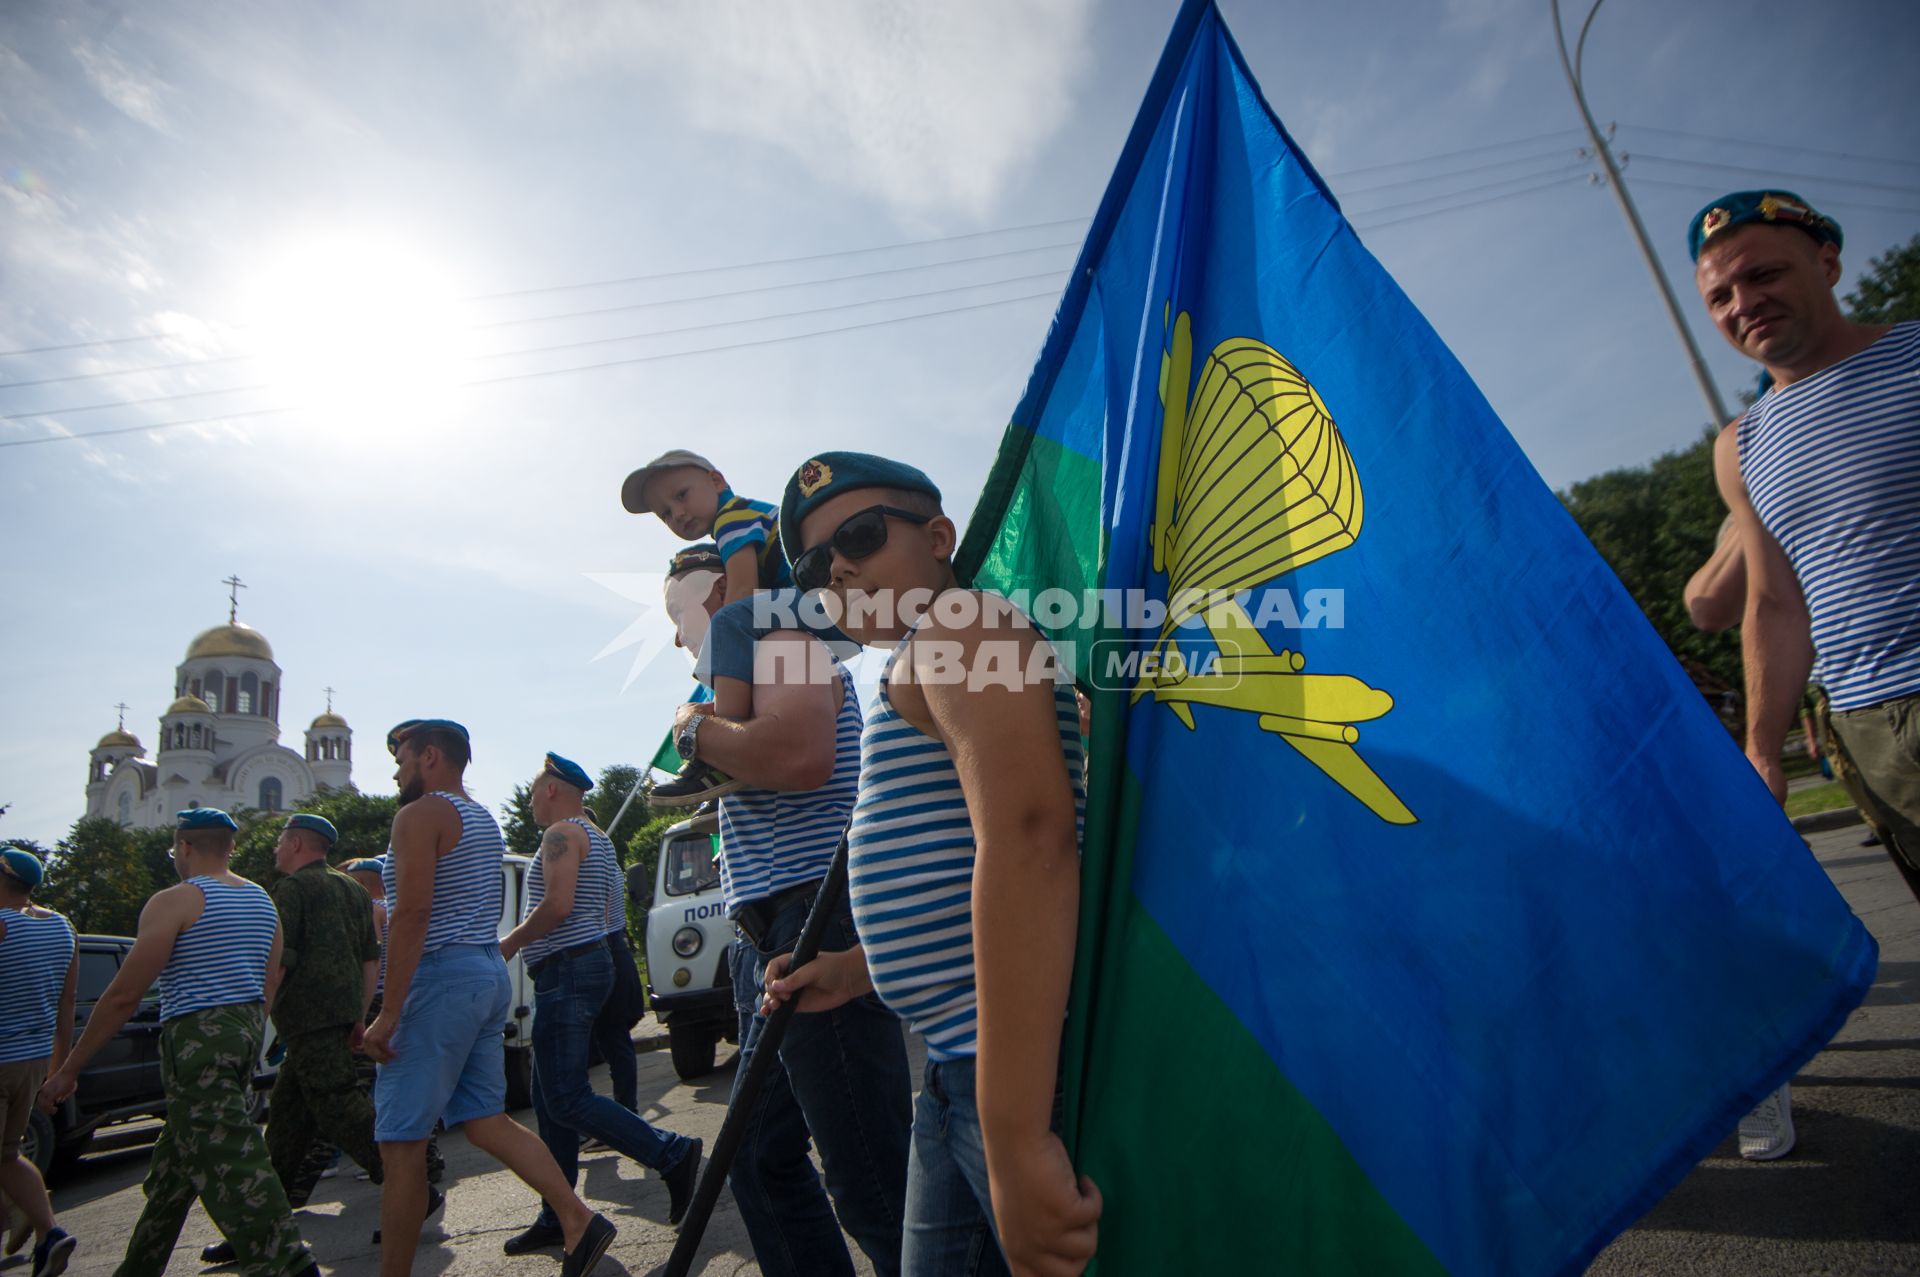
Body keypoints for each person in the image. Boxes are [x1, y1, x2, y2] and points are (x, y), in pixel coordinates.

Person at [762, 452, 1102, 1276]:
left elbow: (1029, 838)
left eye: (862, 535)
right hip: (955, 1076)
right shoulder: (916, 654)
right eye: (813, 565)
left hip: (1013, 1077)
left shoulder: (958, 626)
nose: (838, 566)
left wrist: (1017, 1138)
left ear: (940, 535)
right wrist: (859, 968)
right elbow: (953, 872)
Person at [1692, 190, 1920, 1161]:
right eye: (1720, 293)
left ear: (1827, 258)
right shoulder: (1741, 446)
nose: (1744, 301)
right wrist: (1761, 747)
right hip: (1869, 735)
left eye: (1764, 271)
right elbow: (1772, 605)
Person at [665, 538, 912, 1277]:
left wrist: (690, 724)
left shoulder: (782, 639)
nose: (679, 633)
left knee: (872, 1181)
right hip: (772, 924)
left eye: (681, 611)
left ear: (722, 595)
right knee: (760, 1160)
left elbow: (802, 758)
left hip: (813, 915)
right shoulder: (758, 660)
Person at [363, 720, 615, 1277]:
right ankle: (577, 1220)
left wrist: (387, 1011)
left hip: (438, 979)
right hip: (482, 973)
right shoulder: (480, 819)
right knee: (486, 1120)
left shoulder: (420, 814)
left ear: (430, 755)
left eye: (402, 755)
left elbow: (411, 914)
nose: (397, 767)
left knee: (400, 1145)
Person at [39, 809, 319, 1277]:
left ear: (185, 847)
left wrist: (68, 1067)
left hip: (196, 1038)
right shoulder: (260, 901)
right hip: (245, 1028)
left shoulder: (177, 900)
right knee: (176, 1167)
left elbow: (125, 994)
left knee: (233, 1155)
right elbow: (270, 982)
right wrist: (246, 1033)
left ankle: (287, 1262)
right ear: (230, 847)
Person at [498, 753, 701, 1255]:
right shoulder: (595, 836)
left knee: (565, 1097)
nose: (528, 799)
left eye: (533, 787)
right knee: (550, 1105)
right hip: (579, 967)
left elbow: (560, 905)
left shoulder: (560, 835)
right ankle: (556, 1212)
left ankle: (670, 1152)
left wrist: (506, 945)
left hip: (567, 969)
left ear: (552, 789)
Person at [199, 815, 383, 1266]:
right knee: (285, 1123)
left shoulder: (291, 891)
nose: (276, 850)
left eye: (281, 841)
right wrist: (358, 1016)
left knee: (340, 1106)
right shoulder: (355, 890)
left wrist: (257, 1018)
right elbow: (369, 960)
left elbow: (278, 963)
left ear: (298, 843)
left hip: (307, 1020)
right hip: (337, 1018)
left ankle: (412, 1179)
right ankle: (259, 1228)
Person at [623, 450, 790, 806]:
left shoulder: (732, 520)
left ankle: (725, 753)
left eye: (681, 495)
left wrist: (723, 659)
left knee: (728, 623)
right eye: (665, 513)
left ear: (716, 481)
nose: (677, 513)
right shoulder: (736, 517)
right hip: (804, 602)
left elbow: (741, 593)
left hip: (809, 599)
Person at [0, 847, 78, 1277]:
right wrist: (59, 1068)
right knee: (7, 1155)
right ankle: (49, 1232)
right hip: (31, 1061)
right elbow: (66, 1002)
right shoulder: (63, 928)